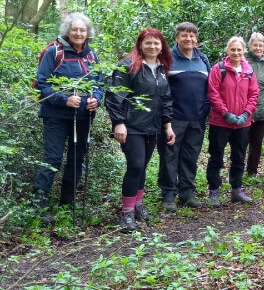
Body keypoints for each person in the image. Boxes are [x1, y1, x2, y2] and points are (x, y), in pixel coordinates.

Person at [32, 12, 103, 224]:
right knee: (52, 158)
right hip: (56, 115)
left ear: (88, 32)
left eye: (82, 30)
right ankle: (38, 206)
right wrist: (64, 99)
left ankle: (67, 202)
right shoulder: (54, 51)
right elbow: (41, 84)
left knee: (76, 159)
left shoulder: (91, 55)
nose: (79, 33)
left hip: (83, 116)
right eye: (75, 30)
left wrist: (96, 99)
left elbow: (99, 83)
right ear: (67, 31)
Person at [105, 28, 175, 233]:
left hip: (152, 126)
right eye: (148, 43)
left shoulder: (161, 69)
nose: (152, 46)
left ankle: (138, 205)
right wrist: (118, 123)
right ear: (140, 45)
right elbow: (114, 95)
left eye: (156, 43)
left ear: (162, 46)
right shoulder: (128, 66)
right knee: (135, 166)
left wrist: (168, 125)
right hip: (131, 126)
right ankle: (126, 213)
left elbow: (165, 99)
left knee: (142, 166)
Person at [157, 22, 210, 212]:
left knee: (190, 156)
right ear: (176, 38)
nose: (189, 39)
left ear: (197, 39)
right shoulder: (167, 59)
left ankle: (187, 192)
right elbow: (161, 90)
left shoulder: (202, 59)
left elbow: (209, 88)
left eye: (192, 35)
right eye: (184, 35)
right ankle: (168, 194)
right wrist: (166, 118)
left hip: (197, 118)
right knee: (170, 155)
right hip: (174, 118)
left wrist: (206, 108)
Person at [206, 37, 259, 207]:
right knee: (216, 157)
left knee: (239, 157)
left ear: (244, 51)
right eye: (233, 49)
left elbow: (254, 94)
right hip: (220, 122)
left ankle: (237, 189)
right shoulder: (218, 69)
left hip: (242, 123)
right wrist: (225, 113)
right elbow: (212, 93)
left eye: (239, 50)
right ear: (227, 50)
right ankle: (214, 191)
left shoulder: (248, 71)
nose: (236, 53)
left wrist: (247, 113)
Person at [245, 32, 264, 177]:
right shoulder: (243, 61)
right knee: (241, 142)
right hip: (244, 109)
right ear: (250, 46)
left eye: (260, 45)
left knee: (257, 143)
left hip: (262, 108)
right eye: (255, 45)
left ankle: (252, 171)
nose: (258, 48)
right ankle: (237, 170)